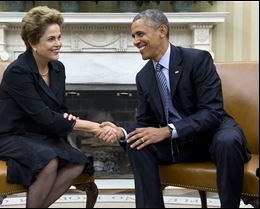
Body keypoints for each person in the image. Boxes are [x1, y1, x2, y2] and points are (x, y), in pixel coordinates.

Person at [100, 9, 251, 208]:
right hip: (179, 144)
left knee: (227, 140)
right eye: (133, 36)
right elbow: (146, 123)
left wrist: (168, 130)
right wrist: (122, 132)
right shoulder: (144, 77)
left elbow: (212, 112)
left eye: (140, 34)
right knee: (136, 143)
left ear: (162, 30)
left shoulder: (197, 60)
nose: (135, 41)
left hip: (211, 135)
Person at [0, 6, 117, 208]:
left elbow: (59, 110)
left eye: (59, 37)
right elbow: (45, 117)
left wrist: (68, 119)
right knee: (49, 162)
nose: (58, 44)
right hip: (9, 136)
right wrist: (95, 127)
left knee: (78, 162)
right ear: (32, 42)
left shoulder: (57, 67)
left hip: (40, 136)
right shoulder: (18, 72)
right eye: (51, 39)